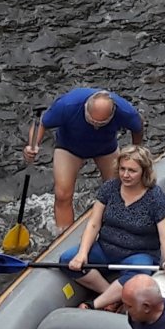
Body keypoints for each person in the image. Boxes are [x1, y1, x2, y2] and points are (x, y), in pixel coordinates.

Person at [60, 145, 165, 311]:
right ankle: (110, 294)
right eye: (122, 169)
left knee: (139, 275)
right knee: (66, 259)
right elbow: (94, 223)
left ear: (144, 172)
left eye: (132, 171)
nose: (126, 175)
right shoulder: (110, 188)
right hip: (106, 248)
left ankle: (95, 304)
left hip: (138, 253)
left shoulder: (155, 197)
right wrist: (82, 254)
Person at [23, 88, 144, 231]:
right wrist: (33, 145)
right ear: (86, 108)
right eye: (92, 121)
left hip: (106, 148)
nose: (95, 127)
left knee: (119, 190)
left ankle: (115, 228)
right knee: (62, 194)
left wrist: (135, 152)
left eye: (101, 124)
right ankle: (63, 234)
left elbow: (138, 128)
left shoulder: (126, 111)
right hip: (69, 148)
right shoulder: (67, 105)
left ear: (112, 113)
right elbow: (41, 124)